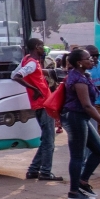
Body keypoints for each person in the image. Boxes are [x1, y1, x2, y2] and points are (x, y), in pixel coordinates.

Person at [61, 49, 100, 199]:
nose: (92, 60)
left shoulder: (83, 76)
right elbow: (87, 106)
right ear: (79, 62)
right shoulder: (78, 79)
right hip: (75, 117)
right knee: (77, 156)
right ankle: (73, 192)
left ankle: (82, 182)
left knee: (99, 150)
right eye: (88, 58)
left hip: (80, 117)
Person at [12, 38, 63, 181]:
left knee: (46, 139)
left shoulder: (27, 59)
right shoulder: (32, 63)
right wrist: (34, 89)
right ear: (36, 47)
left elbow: (13, 74)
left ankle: (34, 170)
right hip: (43, 103)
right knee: (49, 141)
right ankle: (45, 172)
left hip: (40, 104)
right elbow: (17, 76)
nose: (43, 49)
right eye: (41, 46)